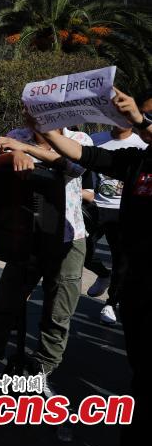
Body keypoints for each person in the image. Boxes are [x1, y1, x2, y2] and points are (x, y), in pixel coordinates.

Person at [30, 88, 151, 446]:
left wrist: (139, 120)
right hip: (137, 285)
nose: (143, 121)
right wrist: (48, 128)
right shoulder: (137, 160)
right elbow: (84, 154)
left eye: (150, 116)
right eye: (144, 113)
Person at [0, 121, 93, 391]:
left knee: (58, 312)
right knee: (4, 307)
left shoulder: (78, 138)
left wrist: (27, 150)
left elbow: (75, 167)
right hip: (24, 235)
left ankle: (40, 372)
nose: (32, 115)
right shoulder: (17, 136)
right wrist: (13, 153)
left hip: (68, 235)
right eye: (29, 110)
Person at [84, 125, 147, 325]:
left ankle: (111, 303)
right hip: (95, 205)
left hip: (123, 209)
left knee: (122, 259)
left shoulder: (141, 144)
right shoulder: (95, 139)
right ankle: (103, 274)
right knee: (82, 250)